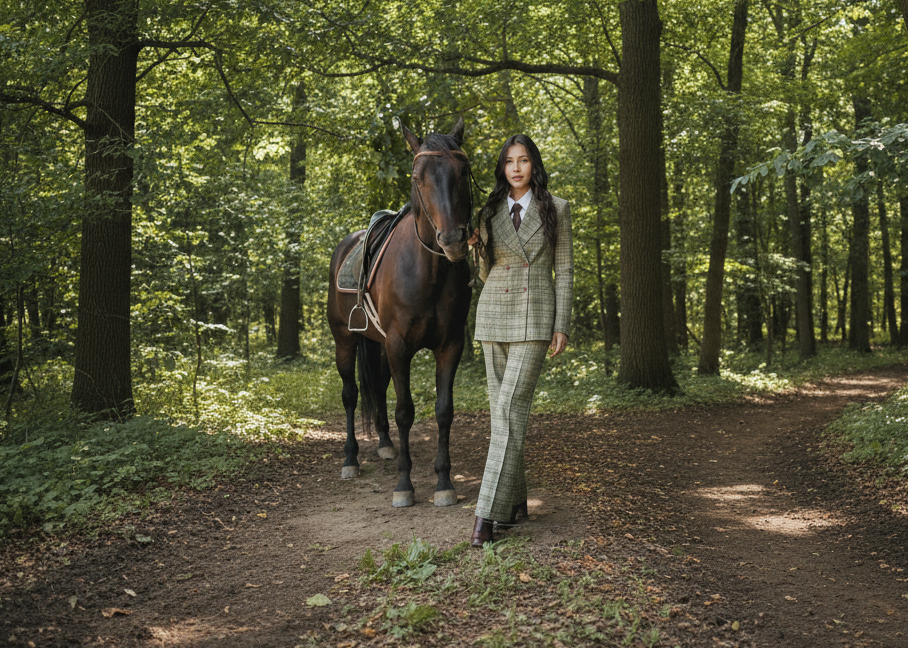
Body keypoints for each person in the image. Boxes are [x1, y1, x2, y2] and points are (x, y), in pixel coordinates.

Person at [467, 134, 573, 547]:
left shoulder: (557, 209)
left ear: (534, 165)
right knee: (502, 415)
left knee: (510, 409)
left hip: (534, 317)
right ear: (502, 168)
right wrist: (477, 249)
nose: (516, 168)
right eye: (509, 161)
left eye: (523, 160)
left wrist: (561, 324)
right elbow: (484, 273)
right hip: (492, 314)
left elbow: (562, 271)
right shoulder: (489, 210)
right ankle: (513, 500)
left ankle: (485, 515)